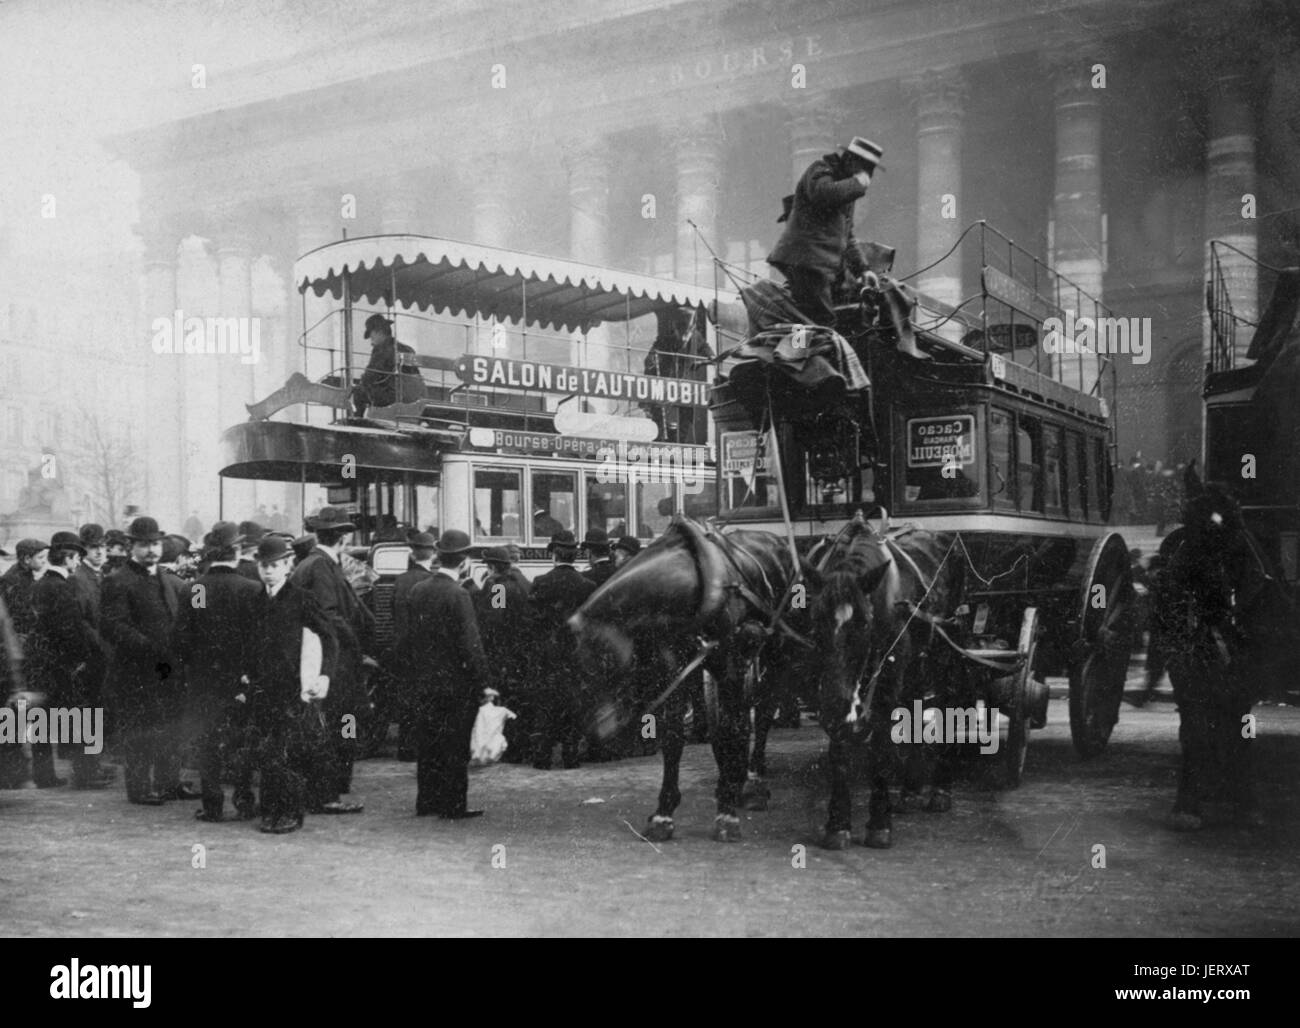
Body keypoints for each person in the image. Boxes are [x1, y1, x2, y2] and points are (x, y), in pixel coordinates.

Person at [246, 535, 339, 834]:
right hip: (261, 689)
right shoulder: (254, 600)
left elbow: (329, 637)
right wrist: (243, 674)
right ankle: (271, 809)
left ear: (288, 565)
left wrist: (324, 675)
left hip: (292, 689)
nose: (268, 571)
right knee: (269, 751)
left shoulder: (302, 598)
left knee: (289, 751)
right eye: (263, 565)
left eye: (274, 565)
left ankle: (290, 812)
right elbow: (243, 643)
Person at [100, 516, 195, 806]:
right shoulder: (117, 581)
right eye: (144, 545)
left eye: (155, 543)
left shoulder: (167, 579)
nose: (151, 550)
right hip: (136, 672)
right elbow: (114, 626)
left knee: (171, 726)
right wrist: (152, 649)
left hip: (169, 670)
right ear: (132, 546)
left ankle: (169, 783)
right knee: (140, 730)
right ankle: (139, 788)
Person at [175, 522, 263, 822]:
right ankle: (244, 800)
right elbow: (259, 639)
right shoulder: (252, 589)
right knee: (241, 740)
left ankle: (212, 804)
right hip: (241, 680)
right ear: (237, 551)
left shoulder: (196, 589)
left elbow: (183, 639)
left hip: (204, 681)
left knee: (208, 741)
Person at [404, 530, 492, 818]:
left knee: (428, 744)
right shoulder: (459, 595)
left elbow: (409, 639)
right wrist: (483, 684)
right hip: (456, 686)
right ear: (465, 562)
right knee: (454, 746)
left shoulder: (418, 590)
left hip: (423, 683)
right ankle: (453, 805)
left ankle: (426, 801)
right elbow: (471, 645)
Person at [290, 507, 373, 814]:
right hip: (336, 662)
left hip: (322, 659)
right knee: (341, 723)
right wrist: (355, 642)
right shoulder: (323, 566)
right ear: (342, 537)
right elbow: (330, 614)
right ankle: (329, 791)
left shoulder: (312, 563)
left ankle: (331, 785)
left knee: (335, 723)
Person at [768, 136, 883, 327]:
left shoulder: (846, 190)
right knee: (820, 320)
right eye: (866, 169)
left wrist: (864, 270)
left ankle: (800, 351)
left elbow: (848, 237)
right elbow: (823, 194)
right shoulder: (820, 169)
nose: (868, 176)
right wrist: (857, 184)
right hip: (805, 260)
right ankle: (799, 354)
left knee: (823, 317)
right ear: (850, 160)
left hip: (819, 265)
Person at [26, 532, 103, 789]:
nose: (77, 563)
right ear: (69, 558)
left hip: (41, 663)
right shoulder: (64, 587)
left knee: (42, 719)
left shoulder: (40, 584)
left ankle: (44, 774)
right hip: (65, 664)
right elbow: (70, 628)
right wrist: (80, 659)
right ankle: (85, 774)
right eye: (77, 557)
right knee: (81, 716)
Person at [528, 530, 596, 770]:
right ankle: (570, 755)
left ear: (553, 554)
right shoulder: (587, 585)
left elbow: (533, 622)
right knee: (573, 704)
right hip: (576, 654)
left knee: (546, 705)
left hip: (548, 655)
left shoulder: (540, 583)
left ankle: (542, 757)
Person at [474, 546, 535, 763]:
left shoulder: (498, 587)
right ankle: (523, 746)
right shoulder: (525, 582)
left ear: (492, 567)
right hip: (524, 652)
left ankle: (511, 748)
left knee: (506, 698)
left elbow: (494, 620)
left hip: (504, 653)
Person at [390, 530, 438, 761]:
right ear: (432, 554)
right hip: (425, 650)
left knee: (407, 699)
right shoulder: (431, 582)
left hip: (402, 647)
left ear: (413, 552)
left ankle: (405, 747)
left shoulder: (400, 580)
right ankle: (421, 747)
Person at [351, 314, 422, 416]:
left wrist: (360, 383)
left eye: (371, 337)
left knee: (358, 391)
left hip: (391, 397)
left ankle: (358, 422)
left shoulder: (381, 349)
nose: (371, 341)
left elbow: (369, 377)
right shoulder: (407, 349)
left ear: (379, 332)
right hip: (414, 397)